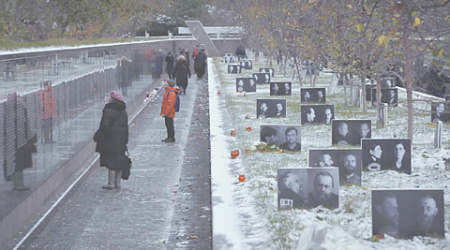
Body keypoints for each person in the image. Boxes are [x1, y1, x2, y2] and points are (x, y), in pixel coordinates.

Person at [93, 91, 129, 190]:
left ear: (113, 99)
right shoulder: (123, 110)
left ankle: (111, 183)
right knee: (120, 159)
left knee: (112, 160)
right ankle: (118, 183)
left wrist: (99, 136)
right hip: (121, 139)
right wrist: (125, 139)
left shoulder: (109, 110)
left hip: (111, 139)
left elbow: (104, 126)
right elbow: (126, 126)